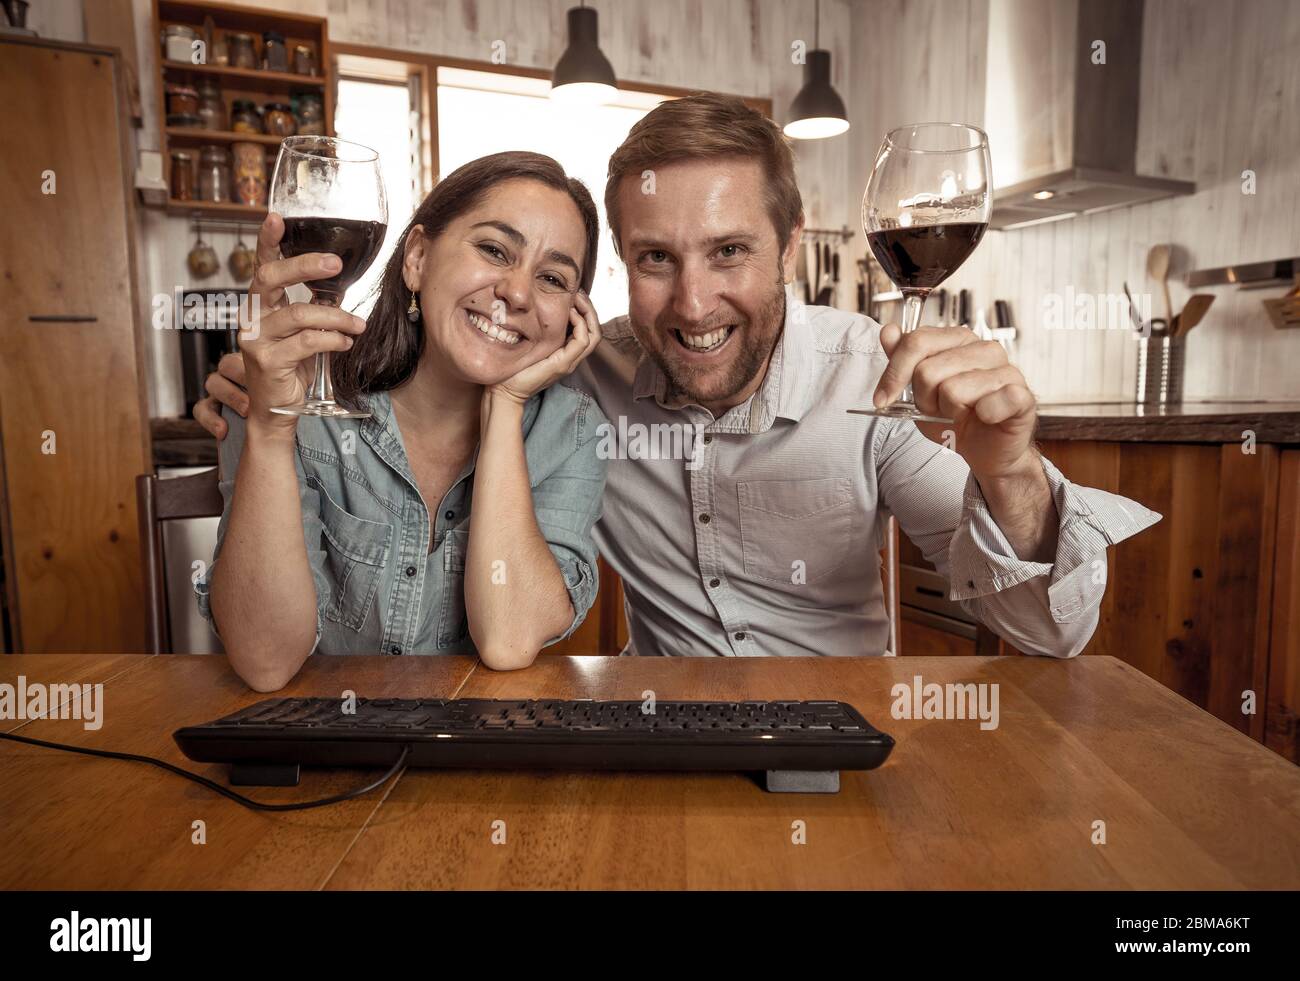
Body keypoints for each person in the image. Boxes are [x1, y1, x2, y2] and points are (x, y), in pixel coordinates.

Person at [196, 95, 1160, 661]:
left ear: (789, 247)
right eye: (656, 259)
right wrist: (262, 412)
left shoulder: (865, 375)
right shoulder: (587, 375)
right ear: (622, 267)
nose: (693, 304)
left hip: (841, 746)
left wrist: (1015, 472)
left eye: (730, 251)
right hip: (663, 746)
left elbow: (1049, 630)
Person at [198, 151, 608, 691]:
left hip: (477, 758)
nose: (517, 294)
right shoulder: (288, 395)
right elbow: (266, 661)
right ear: (417, 257)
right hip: (320, 751)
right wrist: (273, 431)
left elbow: (509, 639)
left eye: (553, 277)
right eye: (493, 249)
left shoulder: (572, 431)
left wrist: (505, 404)